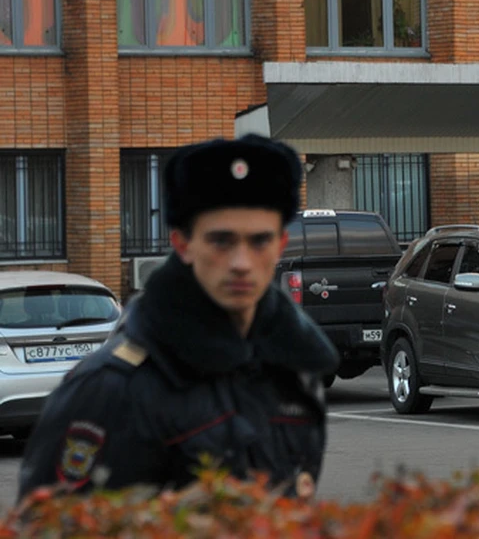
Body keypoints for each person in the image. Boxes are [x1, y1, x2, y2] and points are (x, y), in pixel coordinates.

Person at [18, 134, 340, 501]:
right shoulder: (110, 389)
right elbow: (43, 525)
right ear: (183, 244)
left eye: (259, 241)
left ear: (281, 245)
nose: (241, 263)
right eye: (222, 241)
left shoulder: (295, 370)